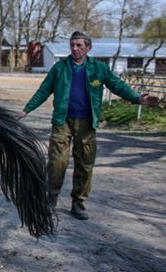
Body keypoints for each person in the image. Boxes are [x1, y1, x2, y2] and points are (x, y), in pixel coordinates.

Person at [21, 31, 159, 220]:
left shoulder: (98, 69)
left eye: (79, 45)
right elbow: (44, 90)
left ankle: (78, 202)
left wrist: (136, 98)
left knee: (85, 163)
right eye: (72, 45)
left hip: (87, 123)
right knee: (57, 162)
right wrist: (26, 109)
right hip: (62, 121)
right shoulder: (60, 68)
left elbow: (117, 85)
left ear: (88, 48)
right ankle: (50, 198)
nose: (75, 49)